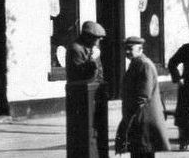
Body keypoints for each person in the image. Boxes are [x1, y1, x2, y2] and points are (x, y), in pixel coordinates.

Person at [116, 36, 172, 158]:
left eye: (130, 48)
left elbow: (144, 94)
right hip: (139, 117)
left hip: (143, 117)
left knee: (144, 150)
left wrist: (131, 116)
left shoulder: (144, 65)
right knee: (139, 150)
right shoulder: (136, 63)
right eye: (126, 49)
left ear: (140, 49)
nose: (127, 51)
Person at [66, 20, 110, 158]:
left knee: (98, 131)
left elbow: (99, 73)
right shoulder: (76, 49)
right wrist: (92, 60)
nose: (99, 41)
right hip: (81, 98)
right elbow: (82, 75)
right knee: (83, 134)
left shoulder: (92, 48)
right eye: (97, 38)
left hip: (96, 95)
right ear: (88, 36)